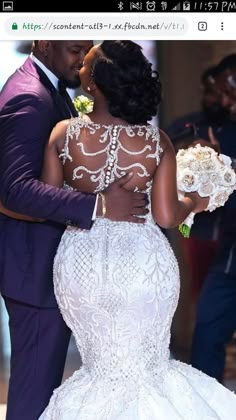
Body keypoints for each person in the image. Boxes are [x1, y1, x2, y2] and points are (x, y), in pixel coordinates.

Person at [35, 40, 236, 419]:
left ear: (94, 86)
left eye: (86, 66)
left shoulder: (63, 134)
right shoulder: (155, 142)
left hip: (82, 261)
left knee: (101, 367)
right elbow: (165, 216)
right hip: (143, 264)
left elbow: (49, 202)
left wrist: (94, 202)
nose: (79, 68)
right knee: (146, 366)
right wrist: (195, 200)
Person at [0, 40, 147, 420]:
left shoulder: (50, 87)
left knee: (46, 388)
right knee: (34, 392)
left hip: (52, 264)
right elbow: (14, 190)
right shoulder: (31, 96)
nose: (81, 61)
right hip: (33, 269)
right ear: (44, 43)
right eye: (74, 50)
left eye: (85, 51)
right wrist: (97, 204)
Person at [191, 54, 236, 383]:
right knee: (206, 335)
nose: (225, 103)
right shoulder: (224, 131)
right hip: (229, 254)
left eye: (230, 93)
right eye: (221, 94)